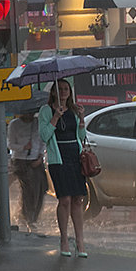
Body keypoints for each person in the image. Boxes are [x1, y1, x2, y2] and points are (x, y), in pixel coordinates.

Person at [40, 79, 88, 258]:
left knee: (77, 200)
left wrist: (82, 120)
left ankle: (80, 241)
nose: (63, 92)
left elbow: (81, 136)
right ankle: (64, 239)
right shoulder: (46, 111)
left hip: (75, 157)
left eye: (66, 89)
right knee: (65, 199)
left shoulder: (74, 110)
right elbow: (44, 135)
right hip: (58, 160)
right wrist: (55, 118)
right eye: (59, 89)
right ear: (53, 92)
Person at [8, 109, 47, 234]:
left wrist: (40, 157)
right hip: (21, 160)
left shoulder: (37, 123)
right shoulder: (14, 125)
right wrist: (23, 147)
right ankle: (28, 217)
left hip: (36, 160)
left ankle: (30, 214)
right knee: (29, 188)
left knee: (41, 188)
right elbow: (10, 144)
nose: (29, 115)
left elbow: (42, 141)